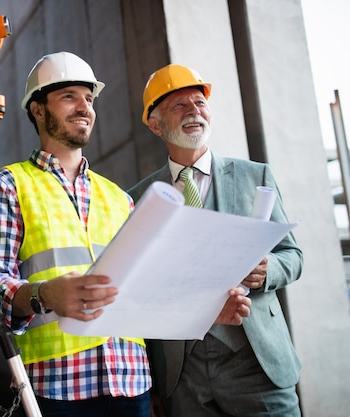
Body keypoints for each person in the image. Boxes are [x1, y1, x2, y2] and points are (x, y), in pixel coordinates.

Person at [0, 52, 251, 417]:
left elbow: (149, 290)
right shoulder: (9, 185)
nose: (84, 107)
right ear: (38, 110)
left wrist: (205, 310)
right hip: (56, 387)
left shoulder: (119, 198)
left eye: (89, 99)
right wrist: (44, 295)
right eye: (68, 97)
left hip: (131, 382)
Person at [127, 63, 303, 417]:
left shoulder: (255, 175)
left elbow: (293, 255)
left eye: (199, 102)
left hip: (255, 361)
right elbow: (138, 292)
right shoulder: (138, 199)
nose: (194, 110)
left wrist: (269, 269)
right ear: (155, 124)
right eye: (179, 105)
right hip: (183, 374)